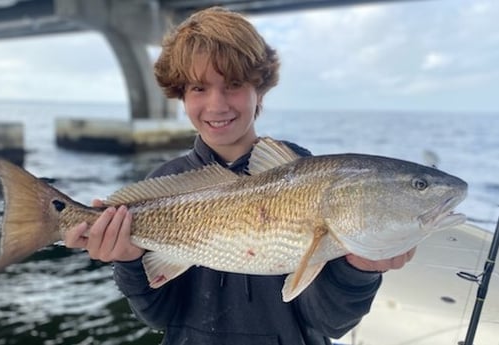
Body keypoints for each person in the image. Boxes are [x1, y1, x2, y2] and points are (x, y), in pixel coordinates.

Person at [65, 6, 416, 345]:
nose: (217, 105)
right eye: (199, 88)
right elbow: (158, 317)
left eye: (233, 84)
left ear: (259, 89)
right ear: (181, 95)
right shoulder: (165, 182)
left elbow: (329, 323)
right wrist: (127, 262)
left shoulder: (313, 179)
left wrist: (360, 269)